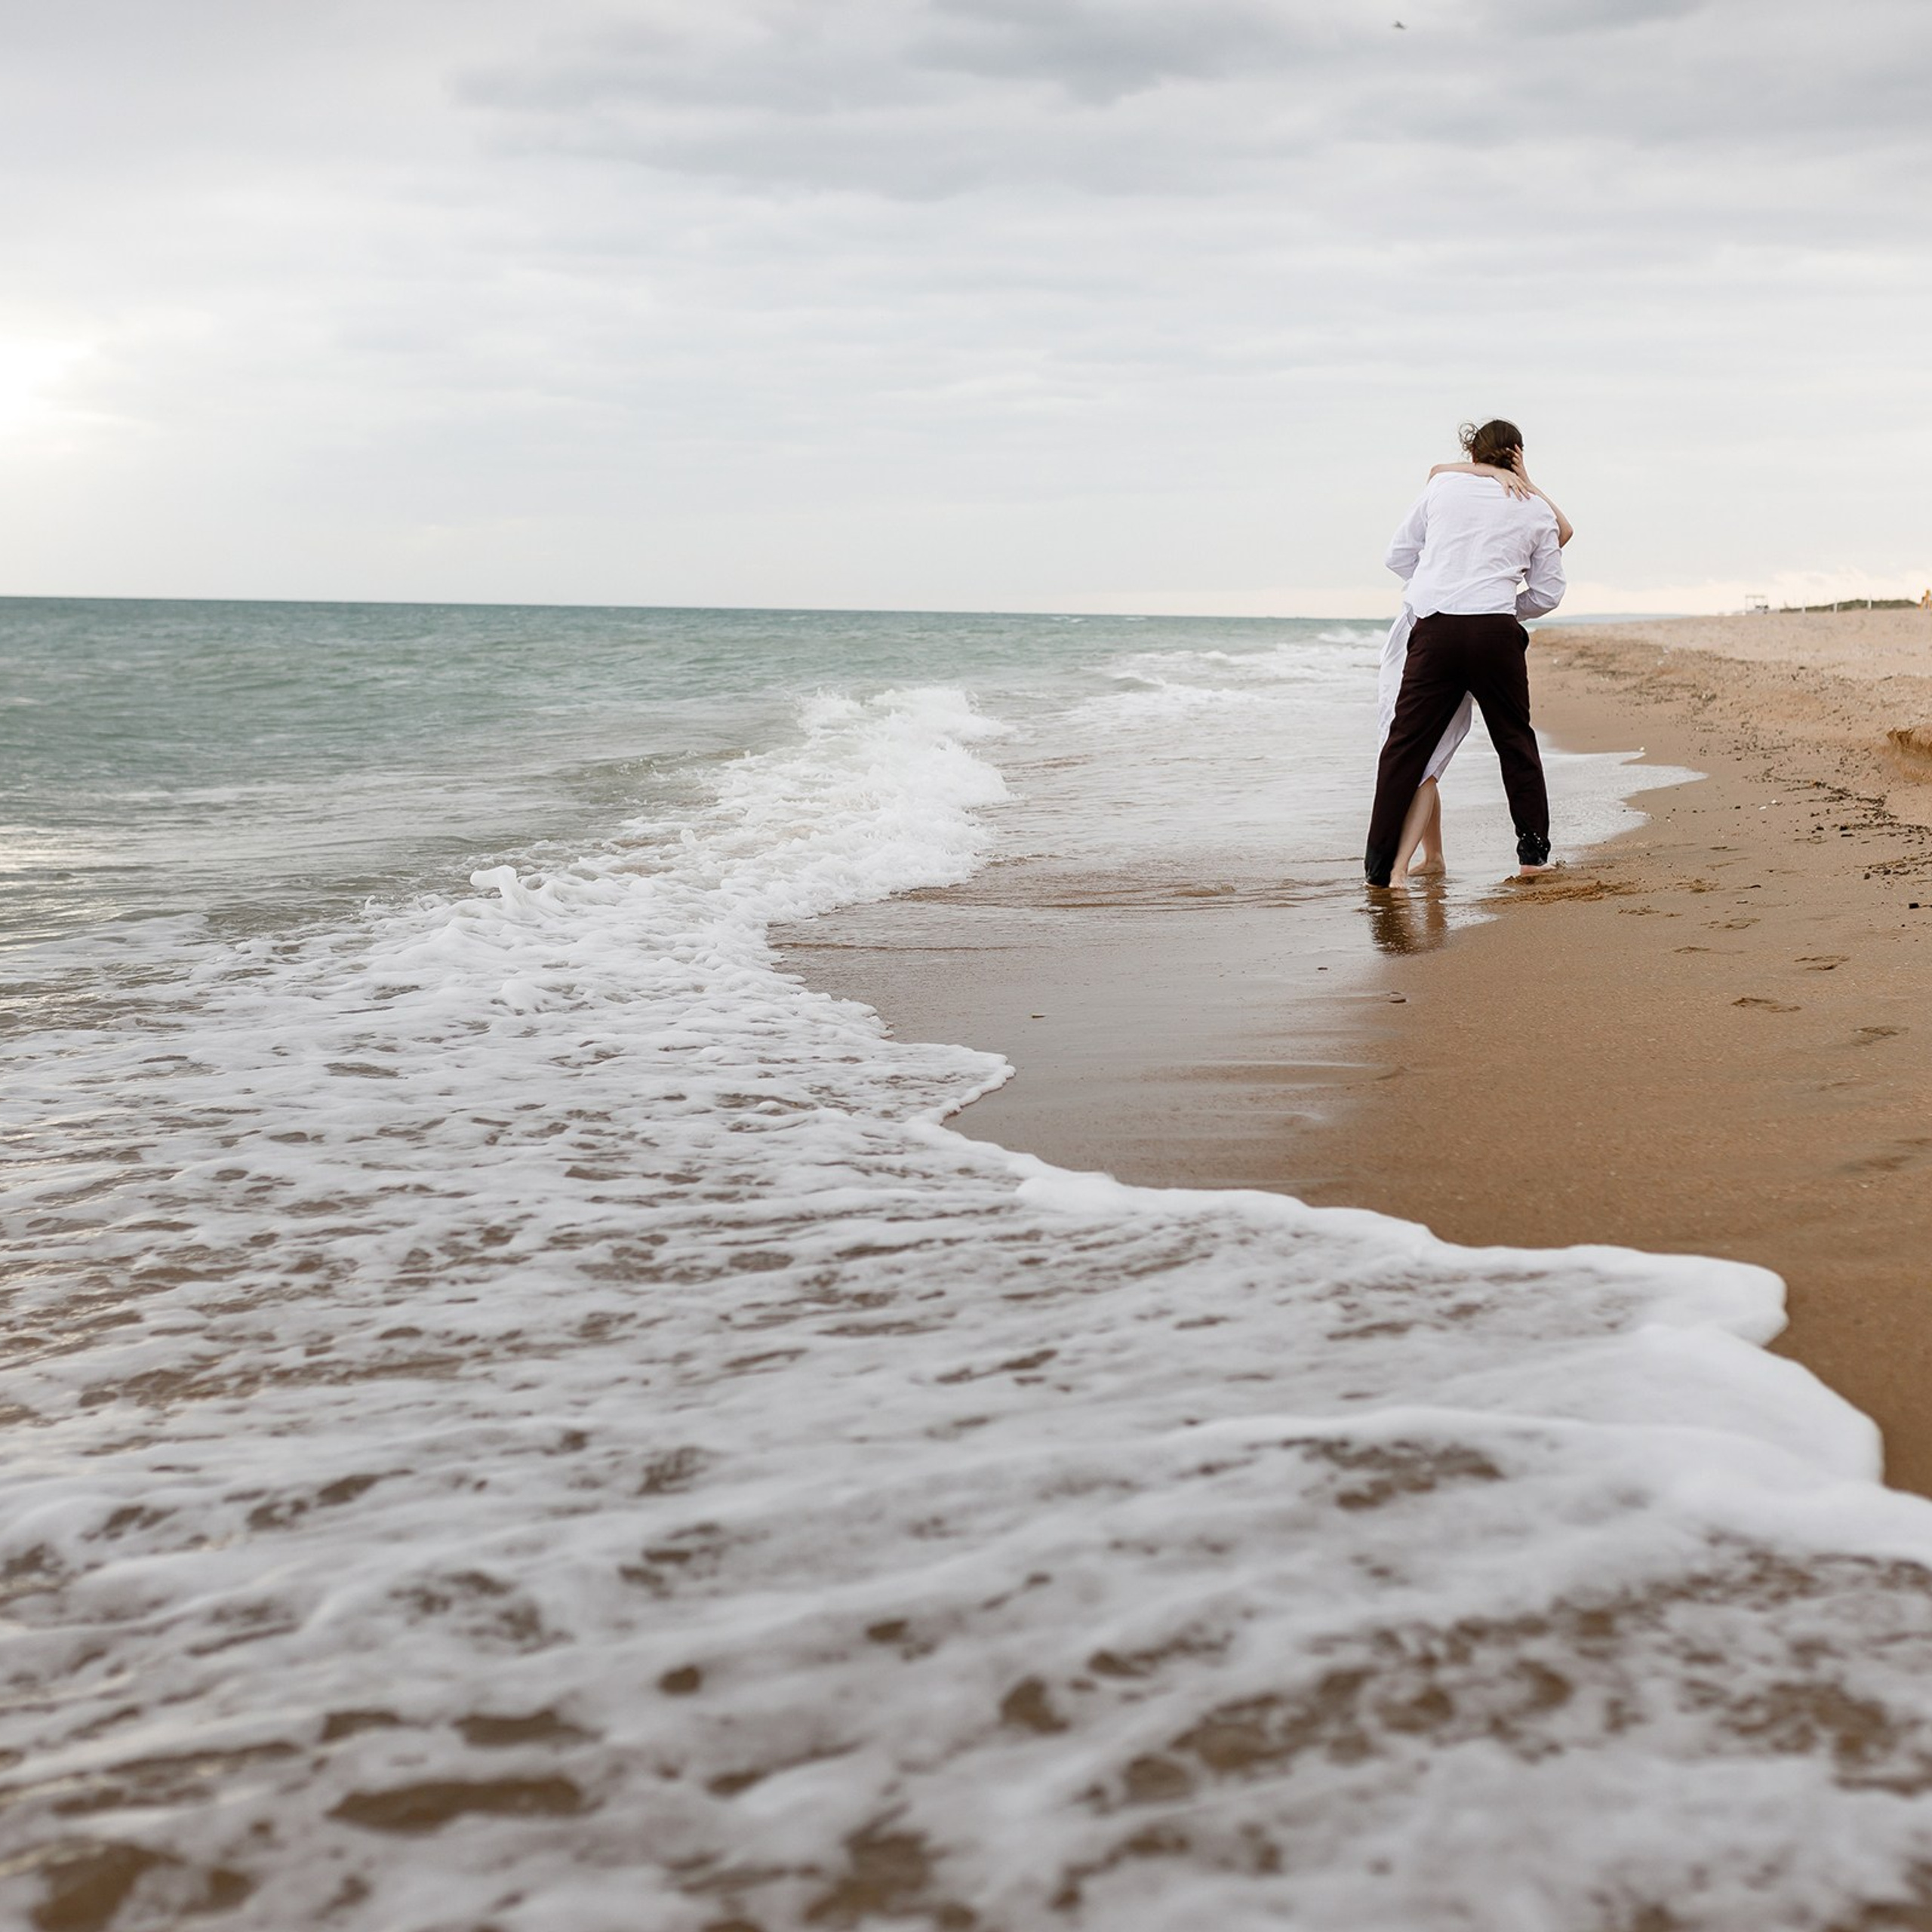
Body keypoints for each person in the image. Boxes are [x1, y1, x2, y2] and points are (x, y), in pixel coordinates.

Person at [1366, 419, 1566, 888]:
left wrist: (1438, 581)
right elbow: (1549, 592)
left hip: (1437, 630)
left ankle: (1379, 870)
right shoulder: (1537, 509)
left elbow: (1397, 556)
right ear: (1519, 454)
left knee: (1404, 748)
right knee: (1515, 742)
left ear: (1471, 451)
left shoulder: (1442, 490)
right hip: (1496, 633)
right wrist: (1503, 609)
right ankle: (1532, 857)